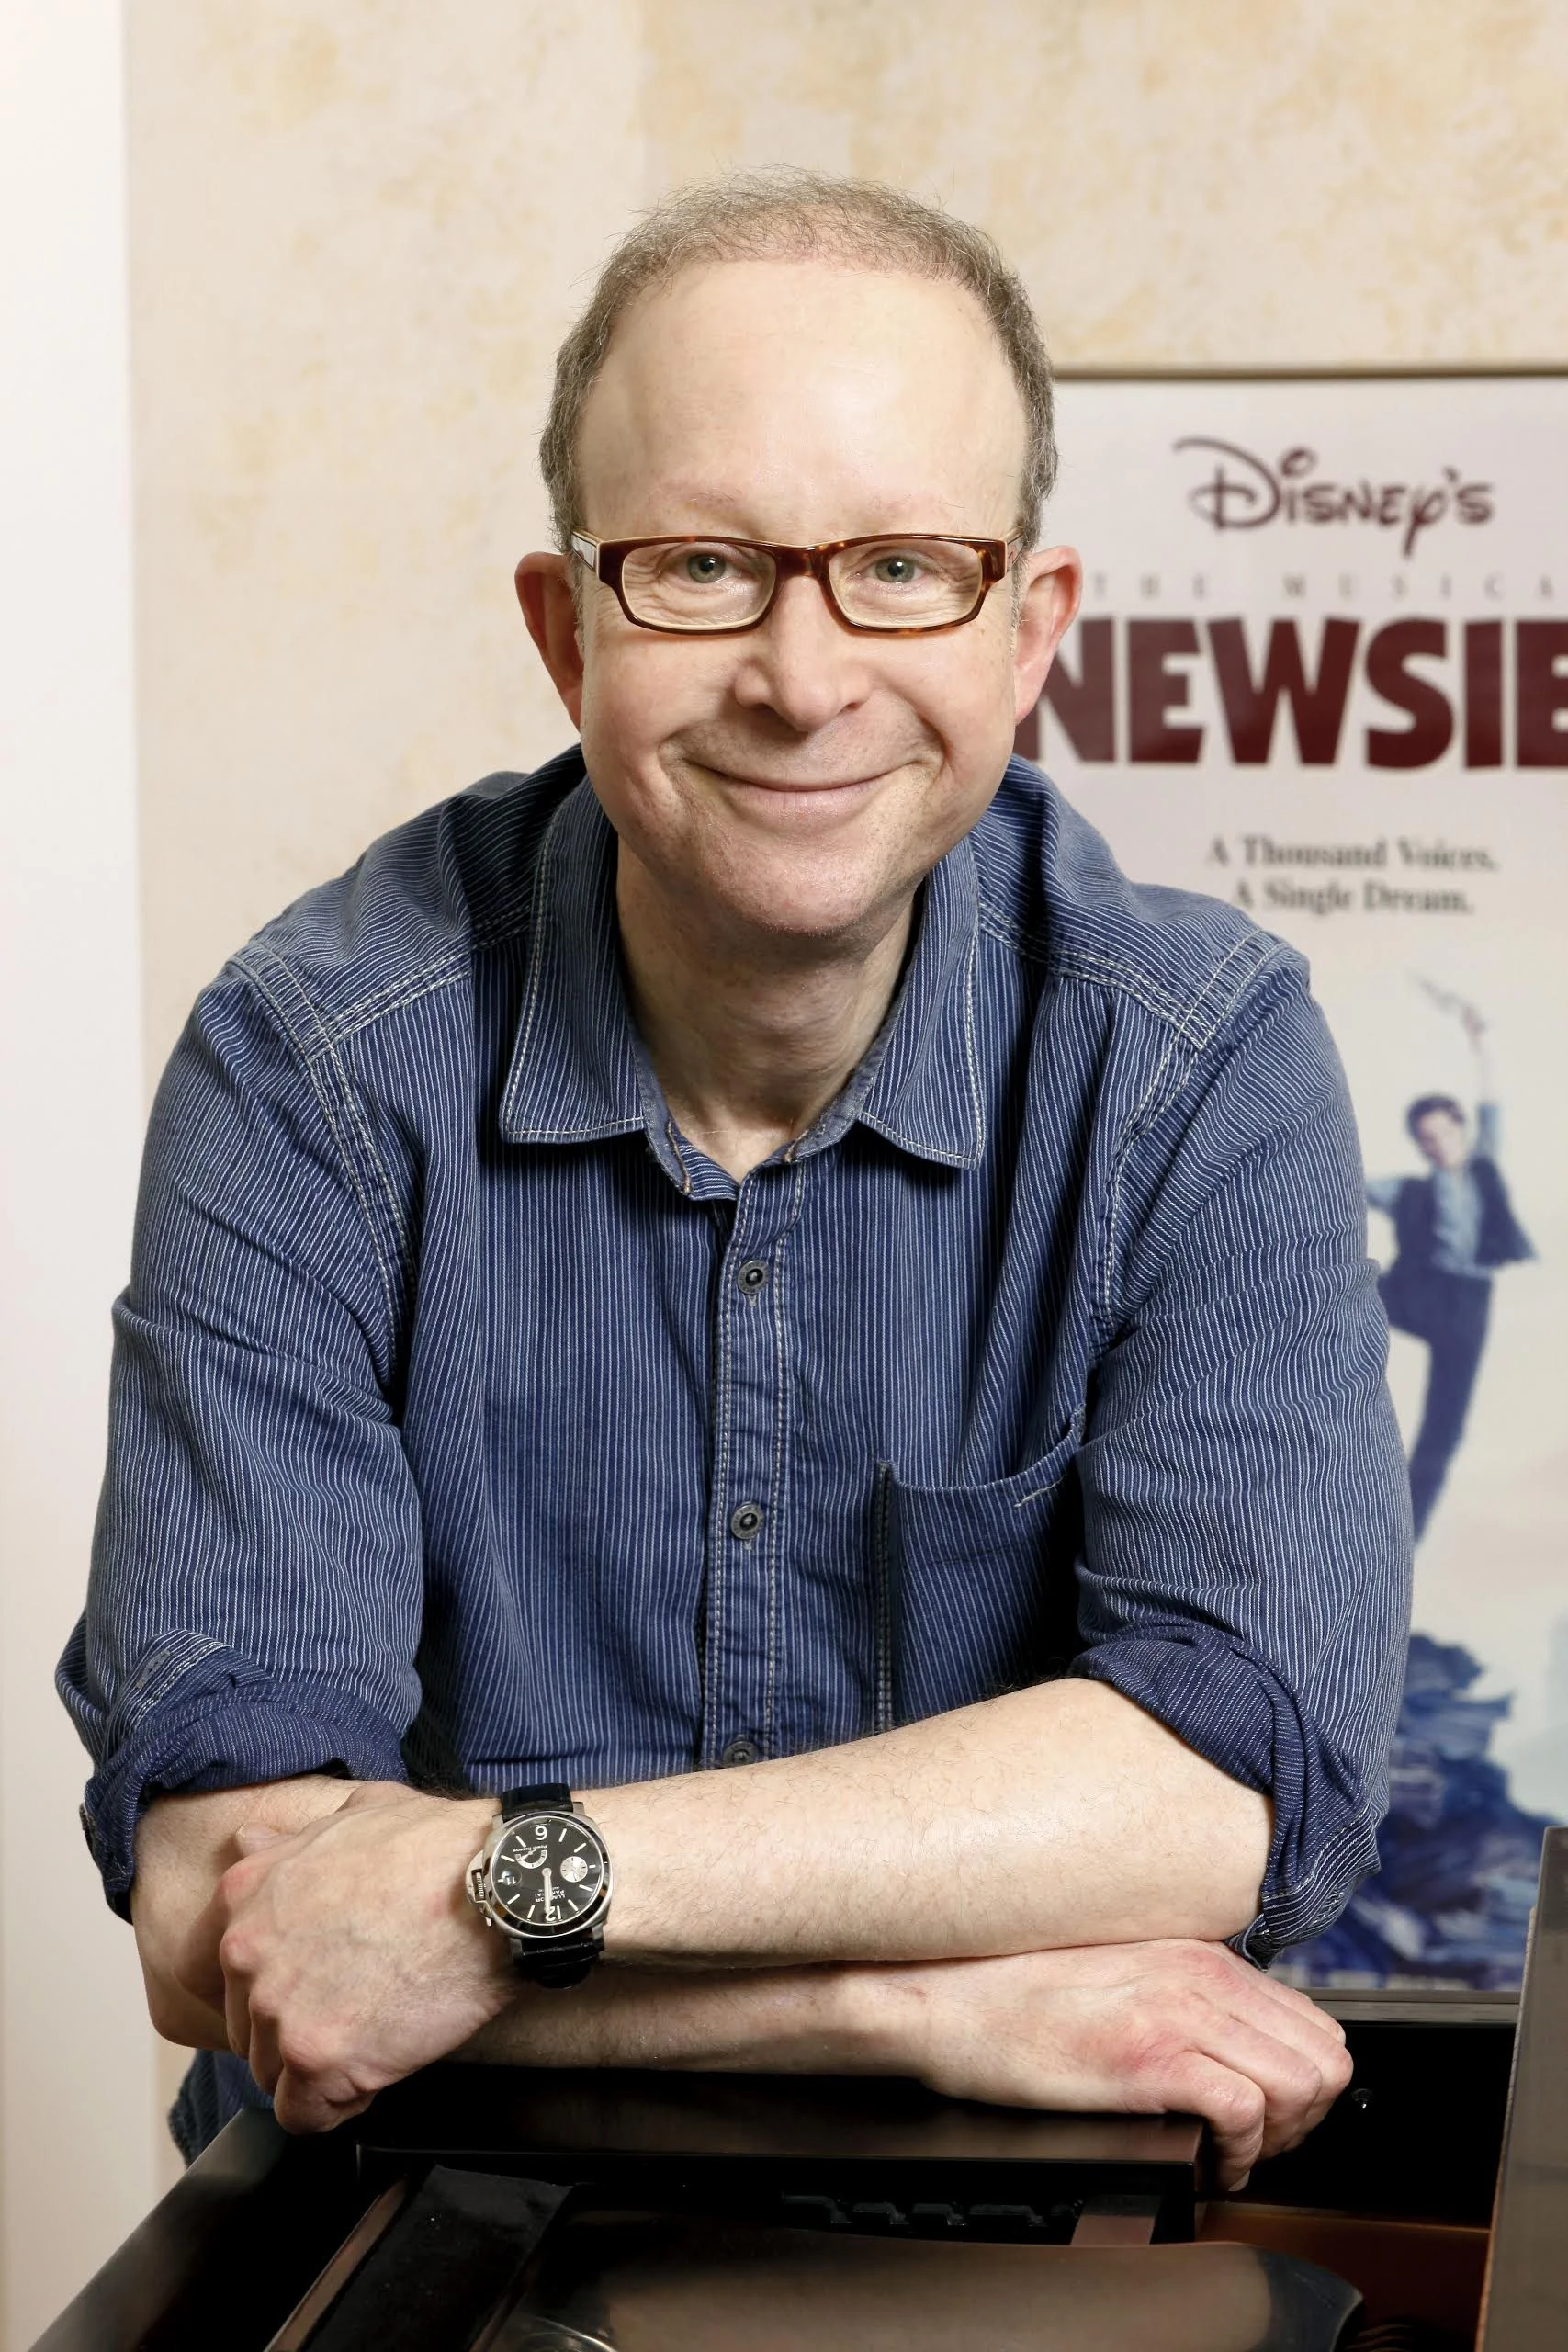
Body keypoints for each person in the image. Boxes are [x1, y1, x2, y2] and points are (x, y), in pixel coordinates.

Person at [59, 172, 1409, 2191]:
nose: (801, 673)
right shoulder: (307, 1065)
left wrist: (484, 1898)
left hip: (1001, 2248)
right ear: (566, 629)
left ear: (1028, 631)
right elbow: (230, 1918)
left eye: (902, 568)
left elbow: (1222, 1783)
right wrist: (902, 2007)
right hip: (416, 2214)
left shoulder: (1196, 1062)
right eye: (700, 566)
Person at [1369, 1001, 1533, 1540]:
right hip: (1422, 1293)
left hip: (1468, 1305)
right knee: (1349, 1287)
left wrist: (1480, 1042)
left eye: (1443, 1133)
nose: (1437, 1145)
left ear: (1459, 1129)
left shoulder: (1484, 1166)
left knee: (1445, 1426)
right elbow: (1347, 1185)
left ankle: (1404, 1536)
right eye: (1427, 1138)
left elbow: (1492, 1105)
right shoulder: (1410, 1190)